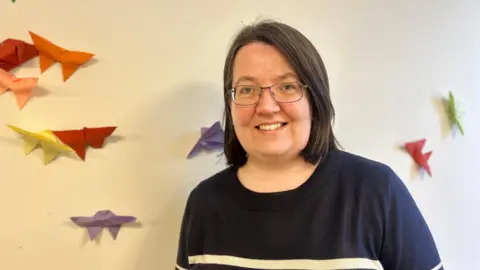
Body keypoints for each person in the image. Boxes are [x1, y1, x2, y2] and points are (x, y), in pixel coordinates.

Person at [175, 19, 443, 270]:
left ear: (315, 100)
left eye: (287, 87)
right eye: (247, 89)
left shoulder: (377, 190)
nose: (267, 107)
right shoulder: (204, 203)